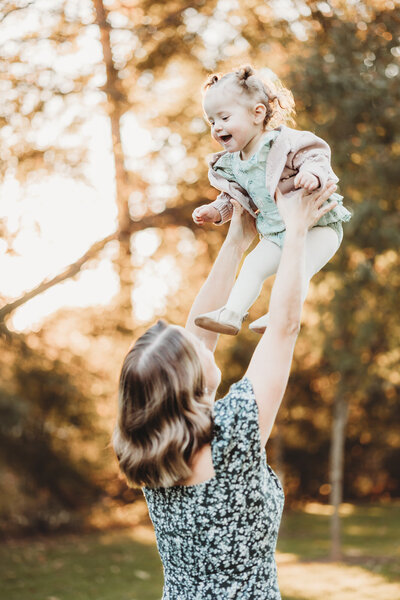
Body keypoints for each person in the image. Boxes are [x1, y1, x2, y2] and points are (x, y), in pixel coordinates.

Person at [113, 182, 338, 599]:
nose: (198, 339)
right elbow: (283, 329)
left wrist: (238, 239)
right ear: (188, 383)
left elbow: (197, 335)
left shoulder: (149, 446)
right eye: (191, 349)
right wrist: (298, 232)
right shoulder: (232, 432)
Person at [192, 65, 351, 335]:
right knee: (252, 265)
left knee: (300, 264)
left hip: (318, 226)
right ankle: (231, 313)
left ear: (258, 113)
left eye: (225, 118)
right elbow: (232, 198)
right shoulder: (232, 165)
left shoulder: (284, 142)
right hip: (276, 234)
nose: (218, 127)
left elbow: (315, 155)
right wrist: (216, 211)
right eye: (212, 121)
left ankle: (282, 312)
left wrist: (312, 174)